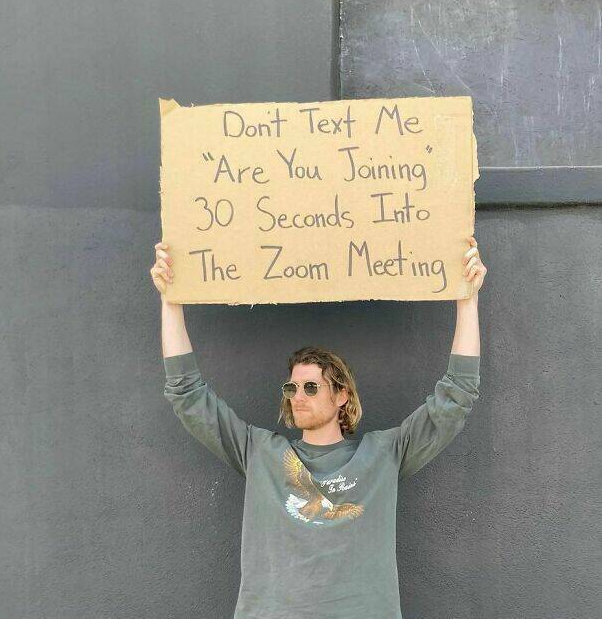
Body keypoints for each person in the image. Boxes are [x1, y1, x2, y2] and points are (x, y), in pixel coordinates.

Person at [151, 237, 487, 619]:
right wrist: (170, 301)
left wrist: (467, 299)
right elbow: (187, 394)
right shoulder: (260, 452)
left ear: (341, 395)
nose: (298, 396)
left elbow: (457, 394)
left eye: (311, 387)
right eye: (291, 387)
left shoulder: (384, 455)